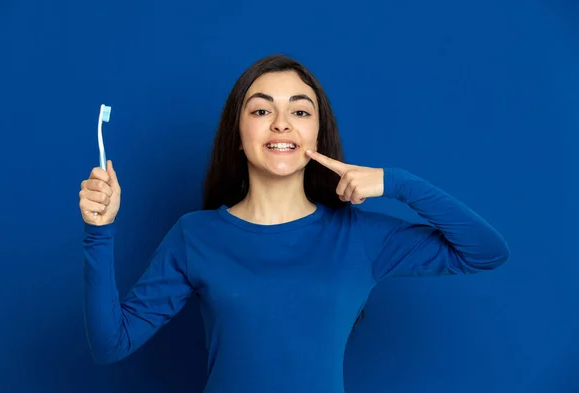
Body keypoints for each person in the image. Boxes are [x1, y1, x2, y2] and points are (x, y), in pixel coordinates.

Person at [79, 54, 510, 393]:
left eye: (300, 112)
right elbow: (109, 343)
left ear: (317, 134)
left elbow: (485, 251)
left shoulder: (359, 236)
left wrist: (396, 182)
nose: (282, 123)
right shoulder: (195, 236)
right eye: (262, 111)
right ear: (239, 133)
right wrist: (99, 233)